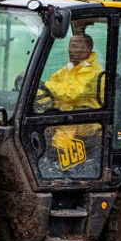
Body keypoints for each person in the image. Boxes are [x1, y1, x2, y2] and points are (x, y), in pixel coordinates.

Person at [39, 34, 103, 178]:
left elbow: (71, 93)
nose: (69, 49)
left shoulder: (92, 70)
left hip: (87, 119)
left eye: (74, 46)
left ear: (86, 50)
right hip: (68, 112)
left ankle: (60, 170)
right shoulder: (72, 67)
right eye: (69, 46)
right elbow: (52, 83)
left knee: (63, 132)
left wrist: (49, 87)